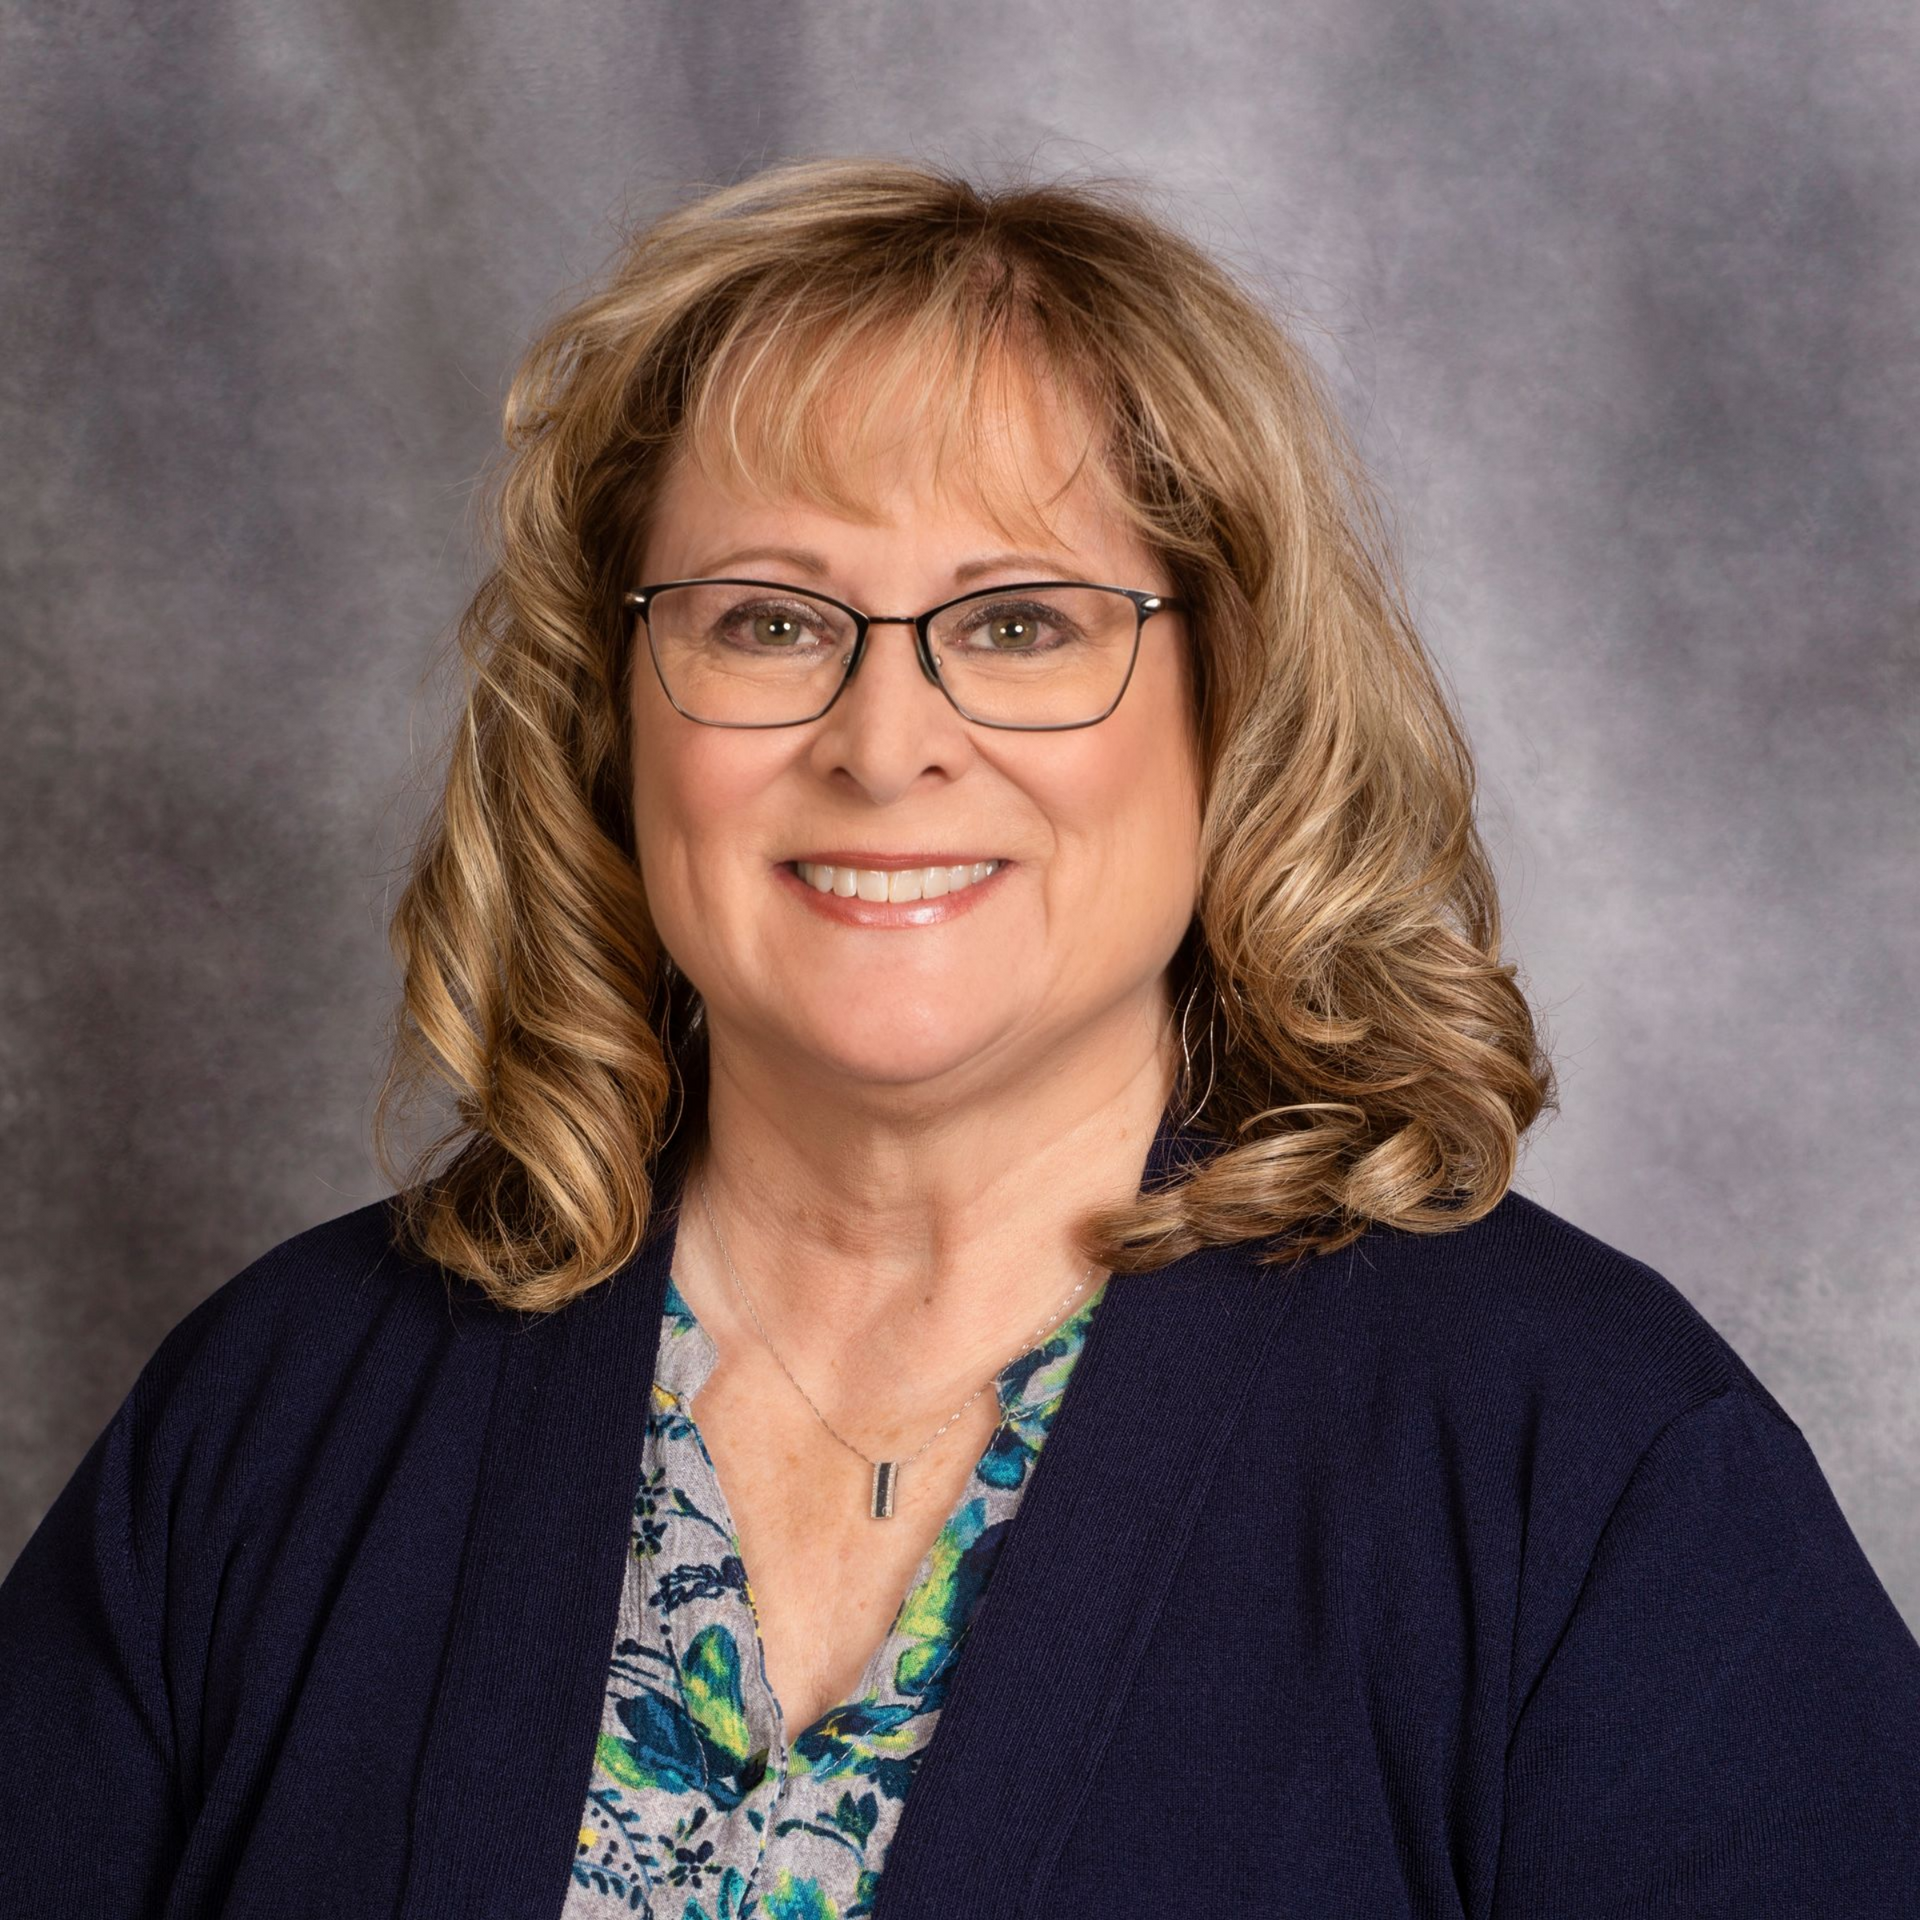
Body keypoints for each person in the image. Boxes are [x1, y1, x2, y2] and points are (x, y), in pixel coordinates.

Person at [2, 156, 1917, 1920]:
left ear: (1228, 706)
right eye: (766, 621)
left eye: (1018, 624)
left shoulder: (1579, 1463)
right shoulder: (281, 1411)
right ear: (617, 713)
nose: (884, 740)